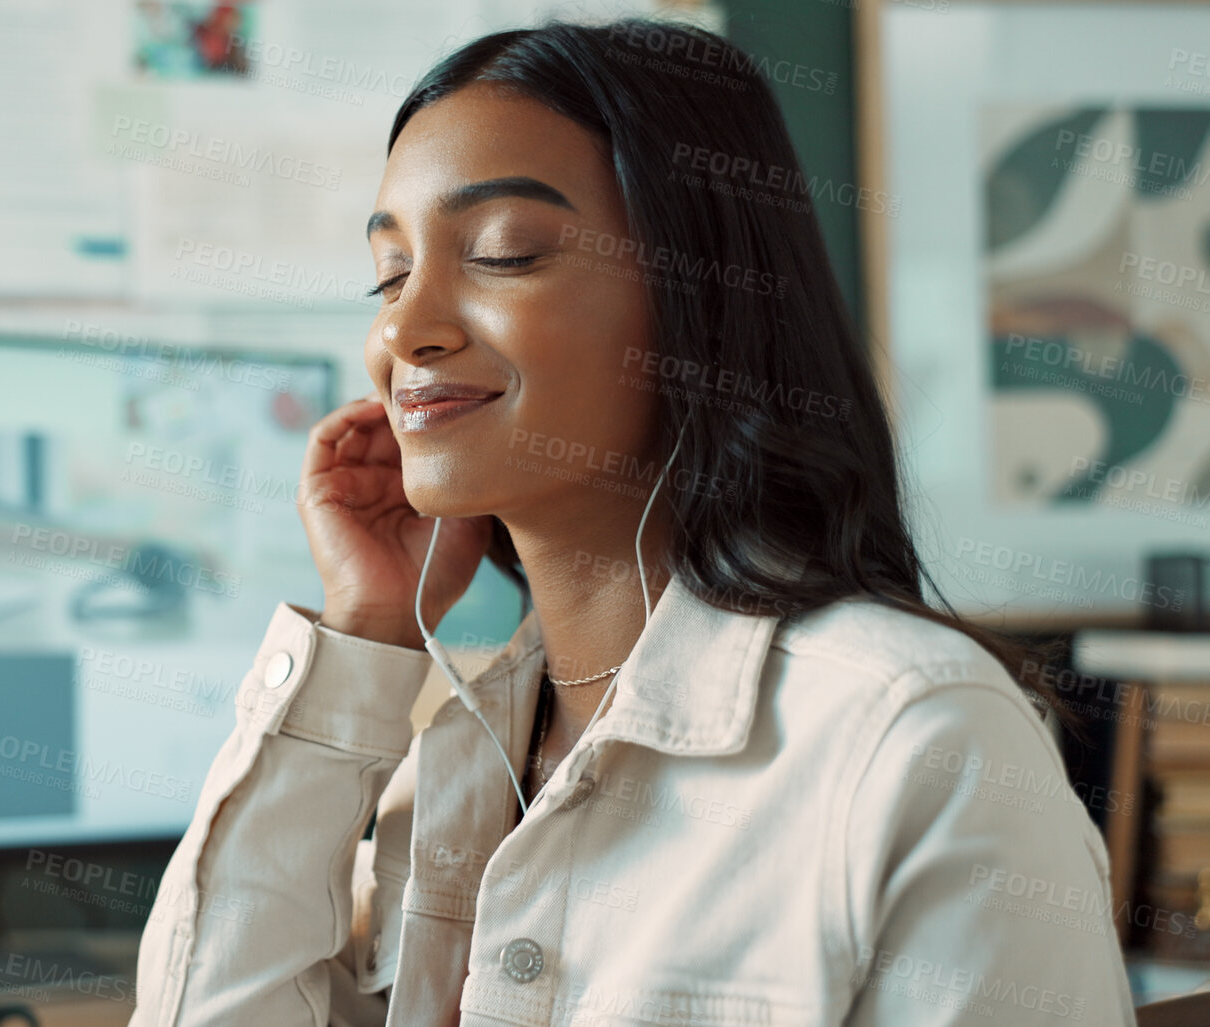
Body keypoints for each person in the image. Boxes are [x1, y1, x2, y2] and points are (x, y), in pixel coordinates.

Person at [127, 18, 1137, 1027]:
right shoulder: (456, 770)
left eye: (502, 252)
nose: (403, 327)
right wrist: (361, 632)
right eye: (388, 274)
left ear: (700, 297)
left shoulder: (916, 740)